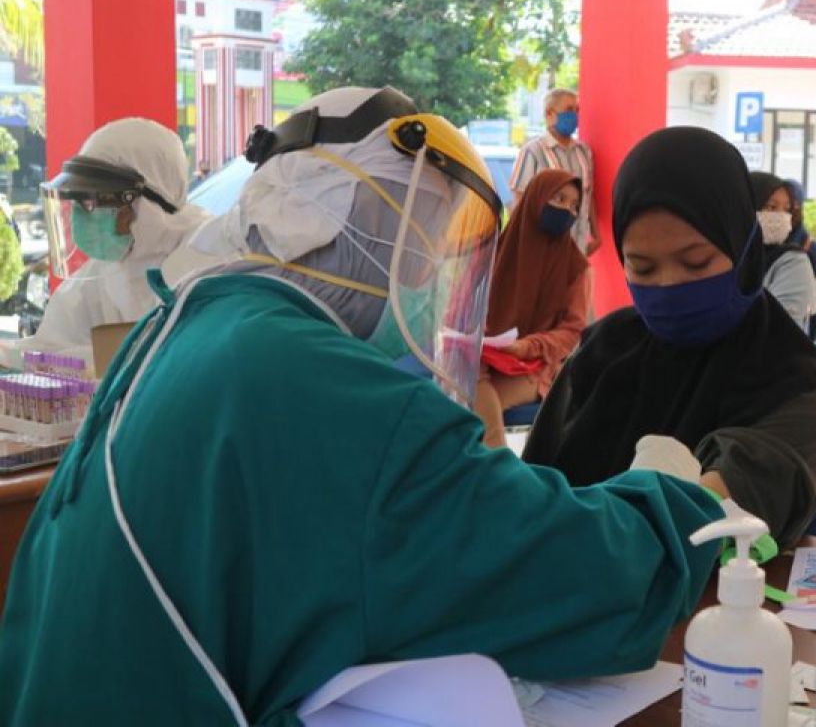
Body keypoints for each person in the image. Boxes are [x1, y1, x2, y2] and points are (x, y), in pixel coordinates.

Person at [0, 88, 724, 723]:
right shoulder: (320, 382)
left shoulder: (183, 327)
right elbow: (582, 579)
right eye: (421, 248)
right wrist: (670, 496)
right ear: (340, 229)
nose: (424, 279)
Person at [523, 127, 816, 547]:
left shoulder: (801, 388)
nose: (670, 284)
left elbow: (695, 518)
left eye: (696, 262)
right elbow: (534, 496)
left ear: (744, 249)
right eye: (642, 268)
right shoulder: (603, 351)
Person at [21, 118, 210, 360]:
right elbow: (48, 350)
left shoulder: (205, 266)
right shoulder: (101, 274)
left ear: (145, 206)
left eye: (93, 203)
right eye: (78, 203)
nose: (82, 216)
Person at [474, 169, 590, 448]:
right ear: (536, 199)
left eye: (574, 206)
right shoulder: (497, 249)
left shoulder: (575, 266)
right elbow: (468, 305)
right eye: (559, 198)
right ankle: (499, 476)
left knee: (471, 412)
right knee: (466, 386)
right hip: (484, 360)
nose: (567, 210)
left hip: (534, 366)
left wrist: (530, 346)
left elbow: (573, 331)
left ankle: (496, 474)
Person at [510, 89, 601, 256]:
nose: (574, 115)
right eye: (568, 110)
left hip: (578, 247)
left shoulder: (583, 152)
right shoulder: (533, 151)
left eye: (576, 110)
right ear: (549, 113)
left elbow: (588, 194)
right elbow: (519, 199)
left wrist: (596, 235)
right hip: (544, 248)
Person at [751, 171, 816, 328]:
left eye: (787, 209)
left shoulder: (793, 261)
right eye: (771, 207)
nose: (781, 216)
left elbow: (777, 331)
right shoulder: (727, 257)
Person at [782, 177, 816, 292]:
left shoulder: (812, 249)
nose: (785, 211)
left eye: (792, 205)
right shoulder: (761, 244)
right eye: (774, 207)